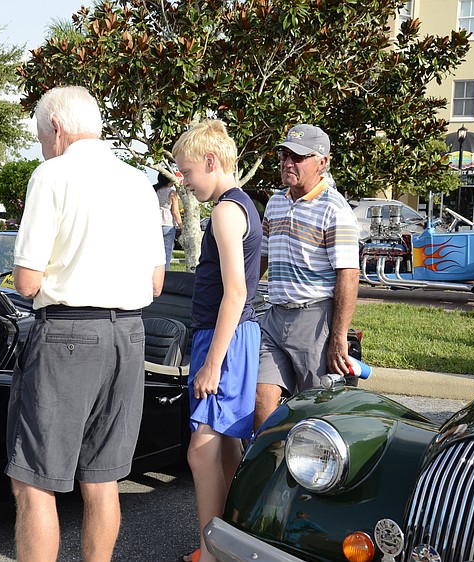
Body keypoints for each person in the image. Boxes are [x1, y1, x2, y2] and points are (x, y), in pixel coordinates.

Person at [6, 85, 166, 562]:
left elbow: (27, 282)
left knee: (34, 480)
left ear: (56, 127)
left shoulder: (52, 174)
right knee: (102, 478)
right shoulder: (138, 182)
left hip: (68, 337)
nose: (41, 145)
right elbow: (156, 281)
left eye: (40, 136)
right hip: (129, 336)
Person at [172, 120, 262, 562]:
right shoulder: (240, 204)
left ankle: (211, 553)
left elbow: (237, 291)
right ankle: (231, 543)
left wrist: (211, 363)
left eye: (187, 173)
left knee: (200, 451)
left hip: (225, 338)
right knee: (226, 446)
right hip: (233, 336)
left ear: (210, 161)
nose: (185, 183)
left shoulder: (227, 210)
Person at [254, 124, 360, 432]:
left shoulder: (335, 209)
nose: (288, 163)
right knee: (261, 402)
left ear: (323, 162)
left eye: (298, 157)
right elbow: (262, 257)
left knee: (315, 413)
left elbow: (348, 275)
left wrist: (338, 337)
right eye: (285, 155)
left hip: (315, 320)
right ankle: (267, 472)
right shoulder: (275, 203)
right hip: (274, 317)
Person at [155, 174, 184, 269]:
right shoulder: (172, 193)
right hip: (168, 224)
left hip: (155, 223)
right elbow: (175, 212)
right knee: (167, 252)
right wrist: (181, 226)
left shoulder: (154, 190)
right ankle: (165, 274)